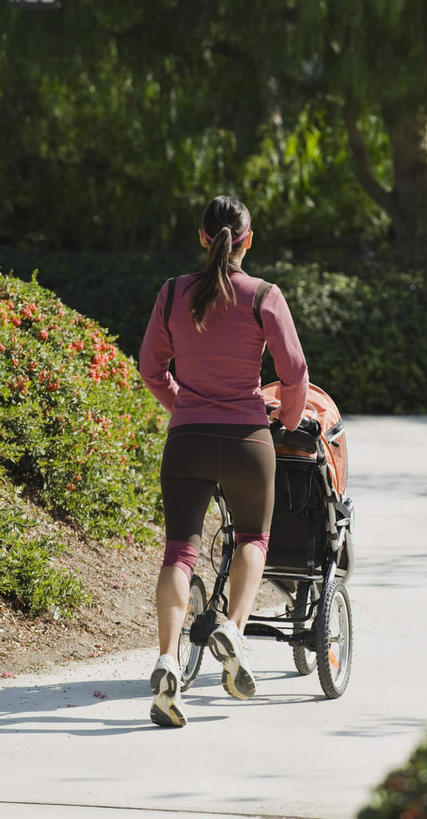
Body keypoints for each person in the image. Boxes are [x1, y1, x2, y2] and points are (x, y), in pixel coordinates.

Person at [139, 195, 308, 727]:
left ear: (202, 237)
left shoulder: (171, 294)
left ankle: (168, 660)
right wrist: (284, 422)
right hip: (247, 442)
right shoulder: (264, 296)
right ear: (247, 240)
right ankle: (232, 629)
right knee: (252, 539)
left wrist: (184, 406)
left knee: (179, 553)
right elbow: (296, 374)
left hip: (186, 439)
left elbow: (150, 367)